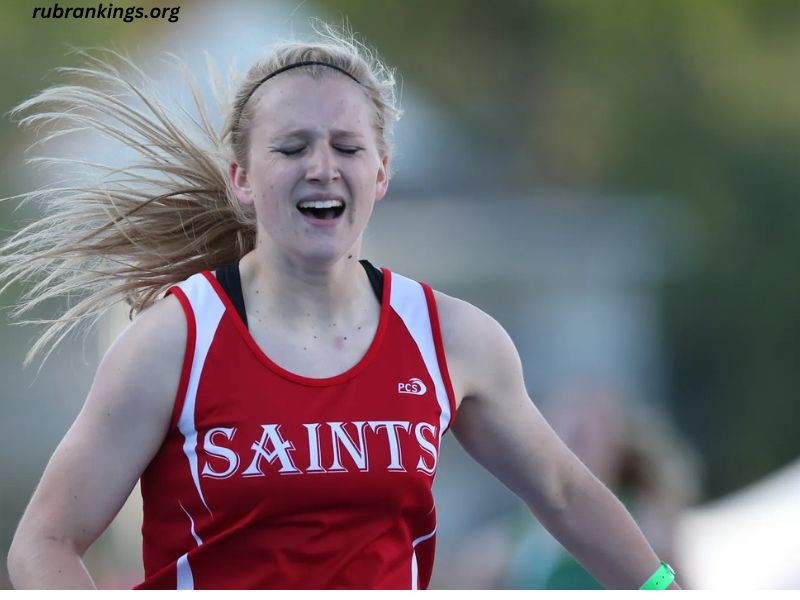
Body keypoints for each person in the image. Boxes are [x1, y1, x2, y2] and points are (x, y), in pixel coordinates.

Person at [3, 22, 681, 590]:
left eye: (347, 147)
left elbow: (564, 494)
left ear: (381, 173)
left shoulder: (453, 340)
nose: (322, 166)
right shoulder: (171, 345)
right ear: (241, 178)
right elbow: (42, 545)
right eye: (293, 147)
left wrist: (666, 591)